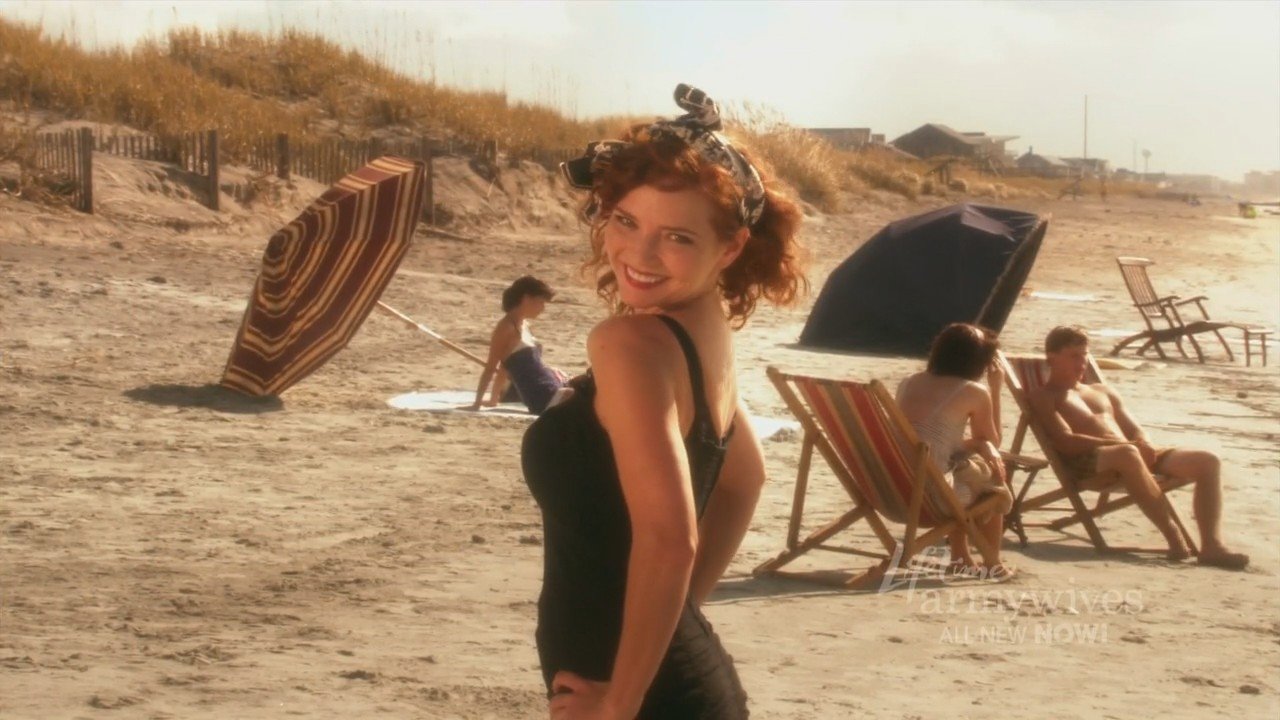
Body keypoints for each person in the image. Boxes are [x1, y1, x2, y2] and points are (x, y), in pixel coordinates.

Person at [521, 84, 804, 719]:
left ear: (730, 247)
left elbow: (671, 540)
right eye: (625, 221)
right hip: (670, 679)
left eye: (676, 236)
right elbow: (745, 482)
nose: (639, 254)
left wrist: (619, 705)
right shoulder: (705, 337)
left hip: (637, 698)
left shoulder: (629, 345)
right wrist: (680, 617)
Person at [1029, 325, 1249, 569]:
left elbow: (1134, 428)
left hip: (1129, 453)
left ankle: (1211, 547)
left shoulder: (1102, 390)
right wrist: (1126, 445)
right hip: (1088, 463)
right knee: (1128, 453)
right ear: (1052, 357)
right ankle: (1173, 535)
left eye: (1085, 355)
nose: (1082, 363)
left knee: (1207, 461)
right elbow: (1065, 441)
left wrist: (1143, 442)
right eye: (1074, 356)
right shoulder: (1044, 395)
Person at [895, 323, 1014, 580]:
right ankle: (992, 563)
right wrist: (995, 389)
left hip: (892, 487)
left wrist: (978, 444)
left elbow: (932, 442)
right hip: (931, 499)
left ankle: (961, 558)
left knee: (961, 472)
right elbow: (994, 440)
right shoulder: (973, 391)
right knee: (993, 486)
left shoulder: (908, 382)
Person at [471, 275, 567, 415]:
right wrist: (477, 404)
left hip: (551, 388)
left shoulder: (523, 325)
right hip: (542, 397)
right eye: (540, 302)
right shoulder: (506, 328)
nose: (543, 308)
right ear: (526, 299)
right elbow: (491, 368)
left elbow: (504, 367)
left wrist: (494, 399)